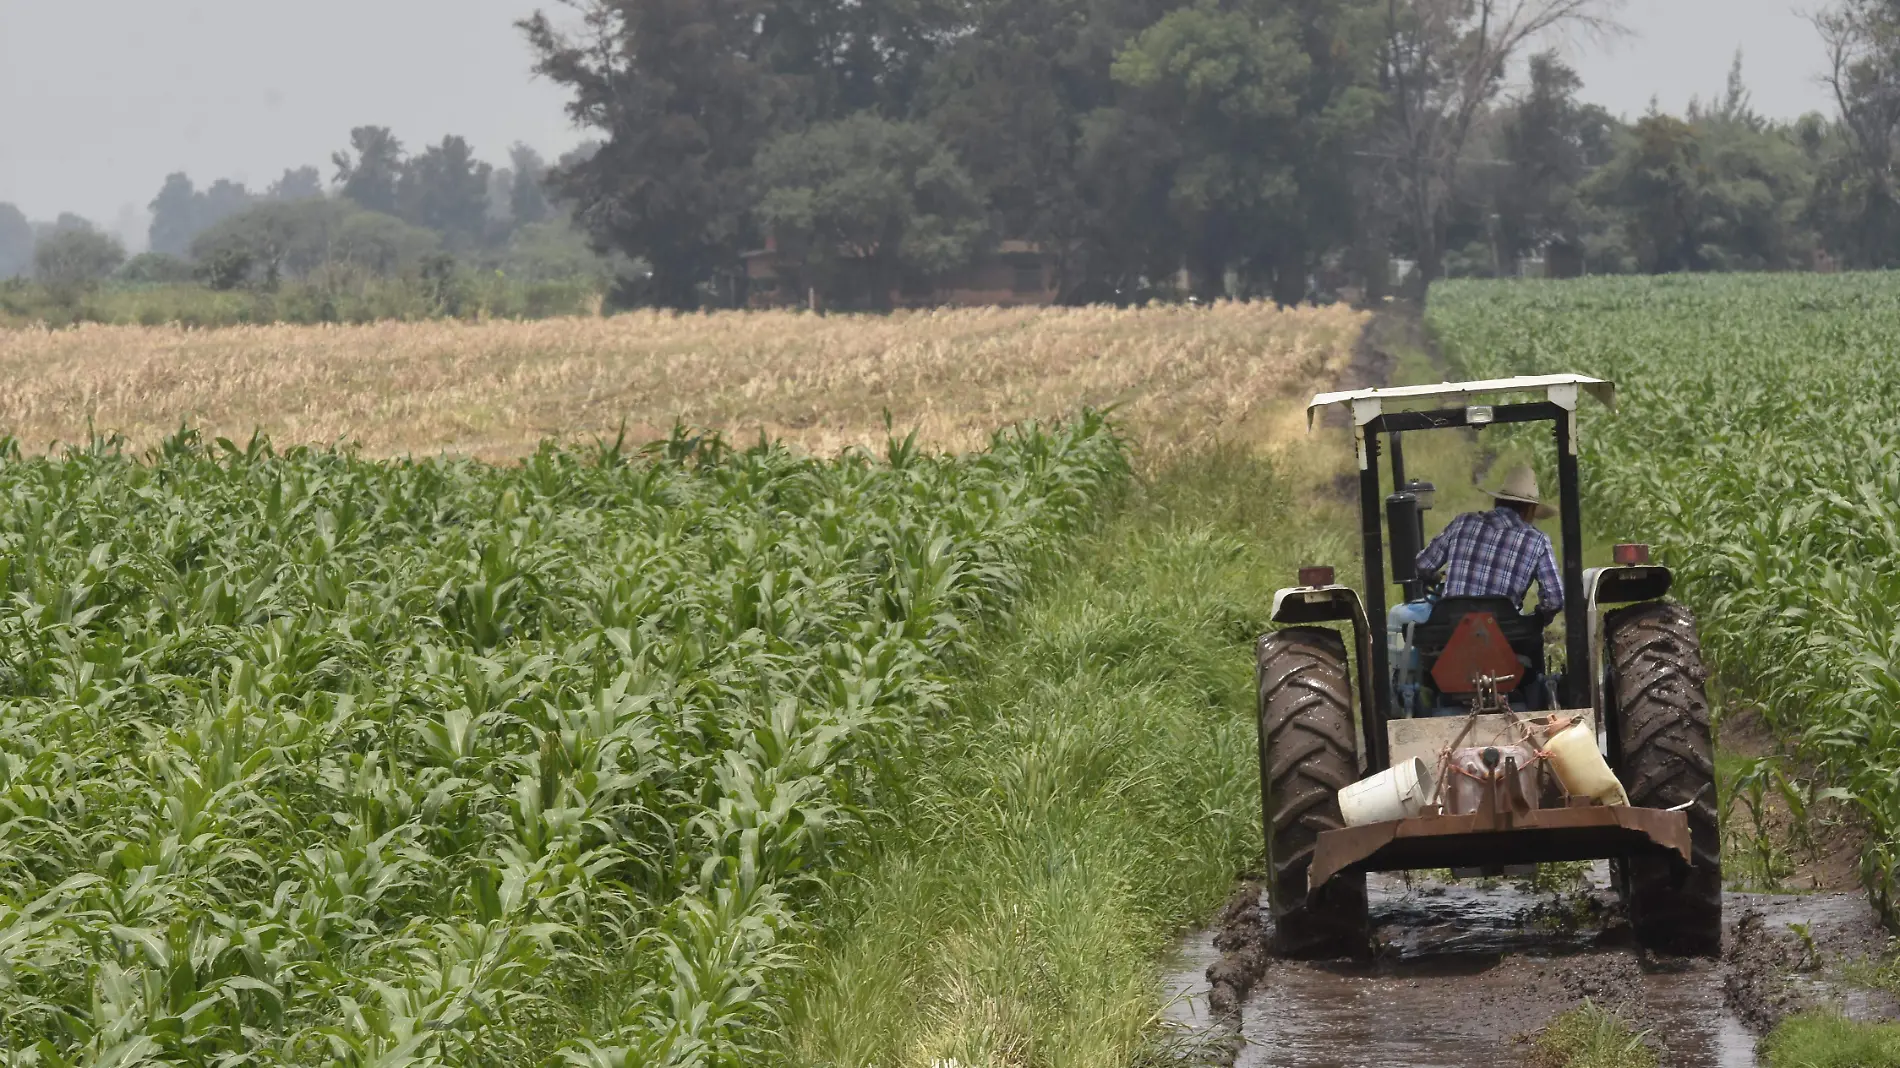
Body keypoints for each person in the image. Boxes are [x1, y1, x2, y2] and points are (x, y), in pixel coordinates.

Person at [1415, 464, 1563, 623]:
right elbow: (1555, 598)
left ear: (1497, 501)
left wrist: (1435, 576)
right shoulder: (1538, 541)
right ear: (1530, 510)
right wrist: (1539, 617)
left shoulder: (1463, 522)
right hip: (1503, 635)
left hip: (1450, 628)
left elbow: (1422, 564)